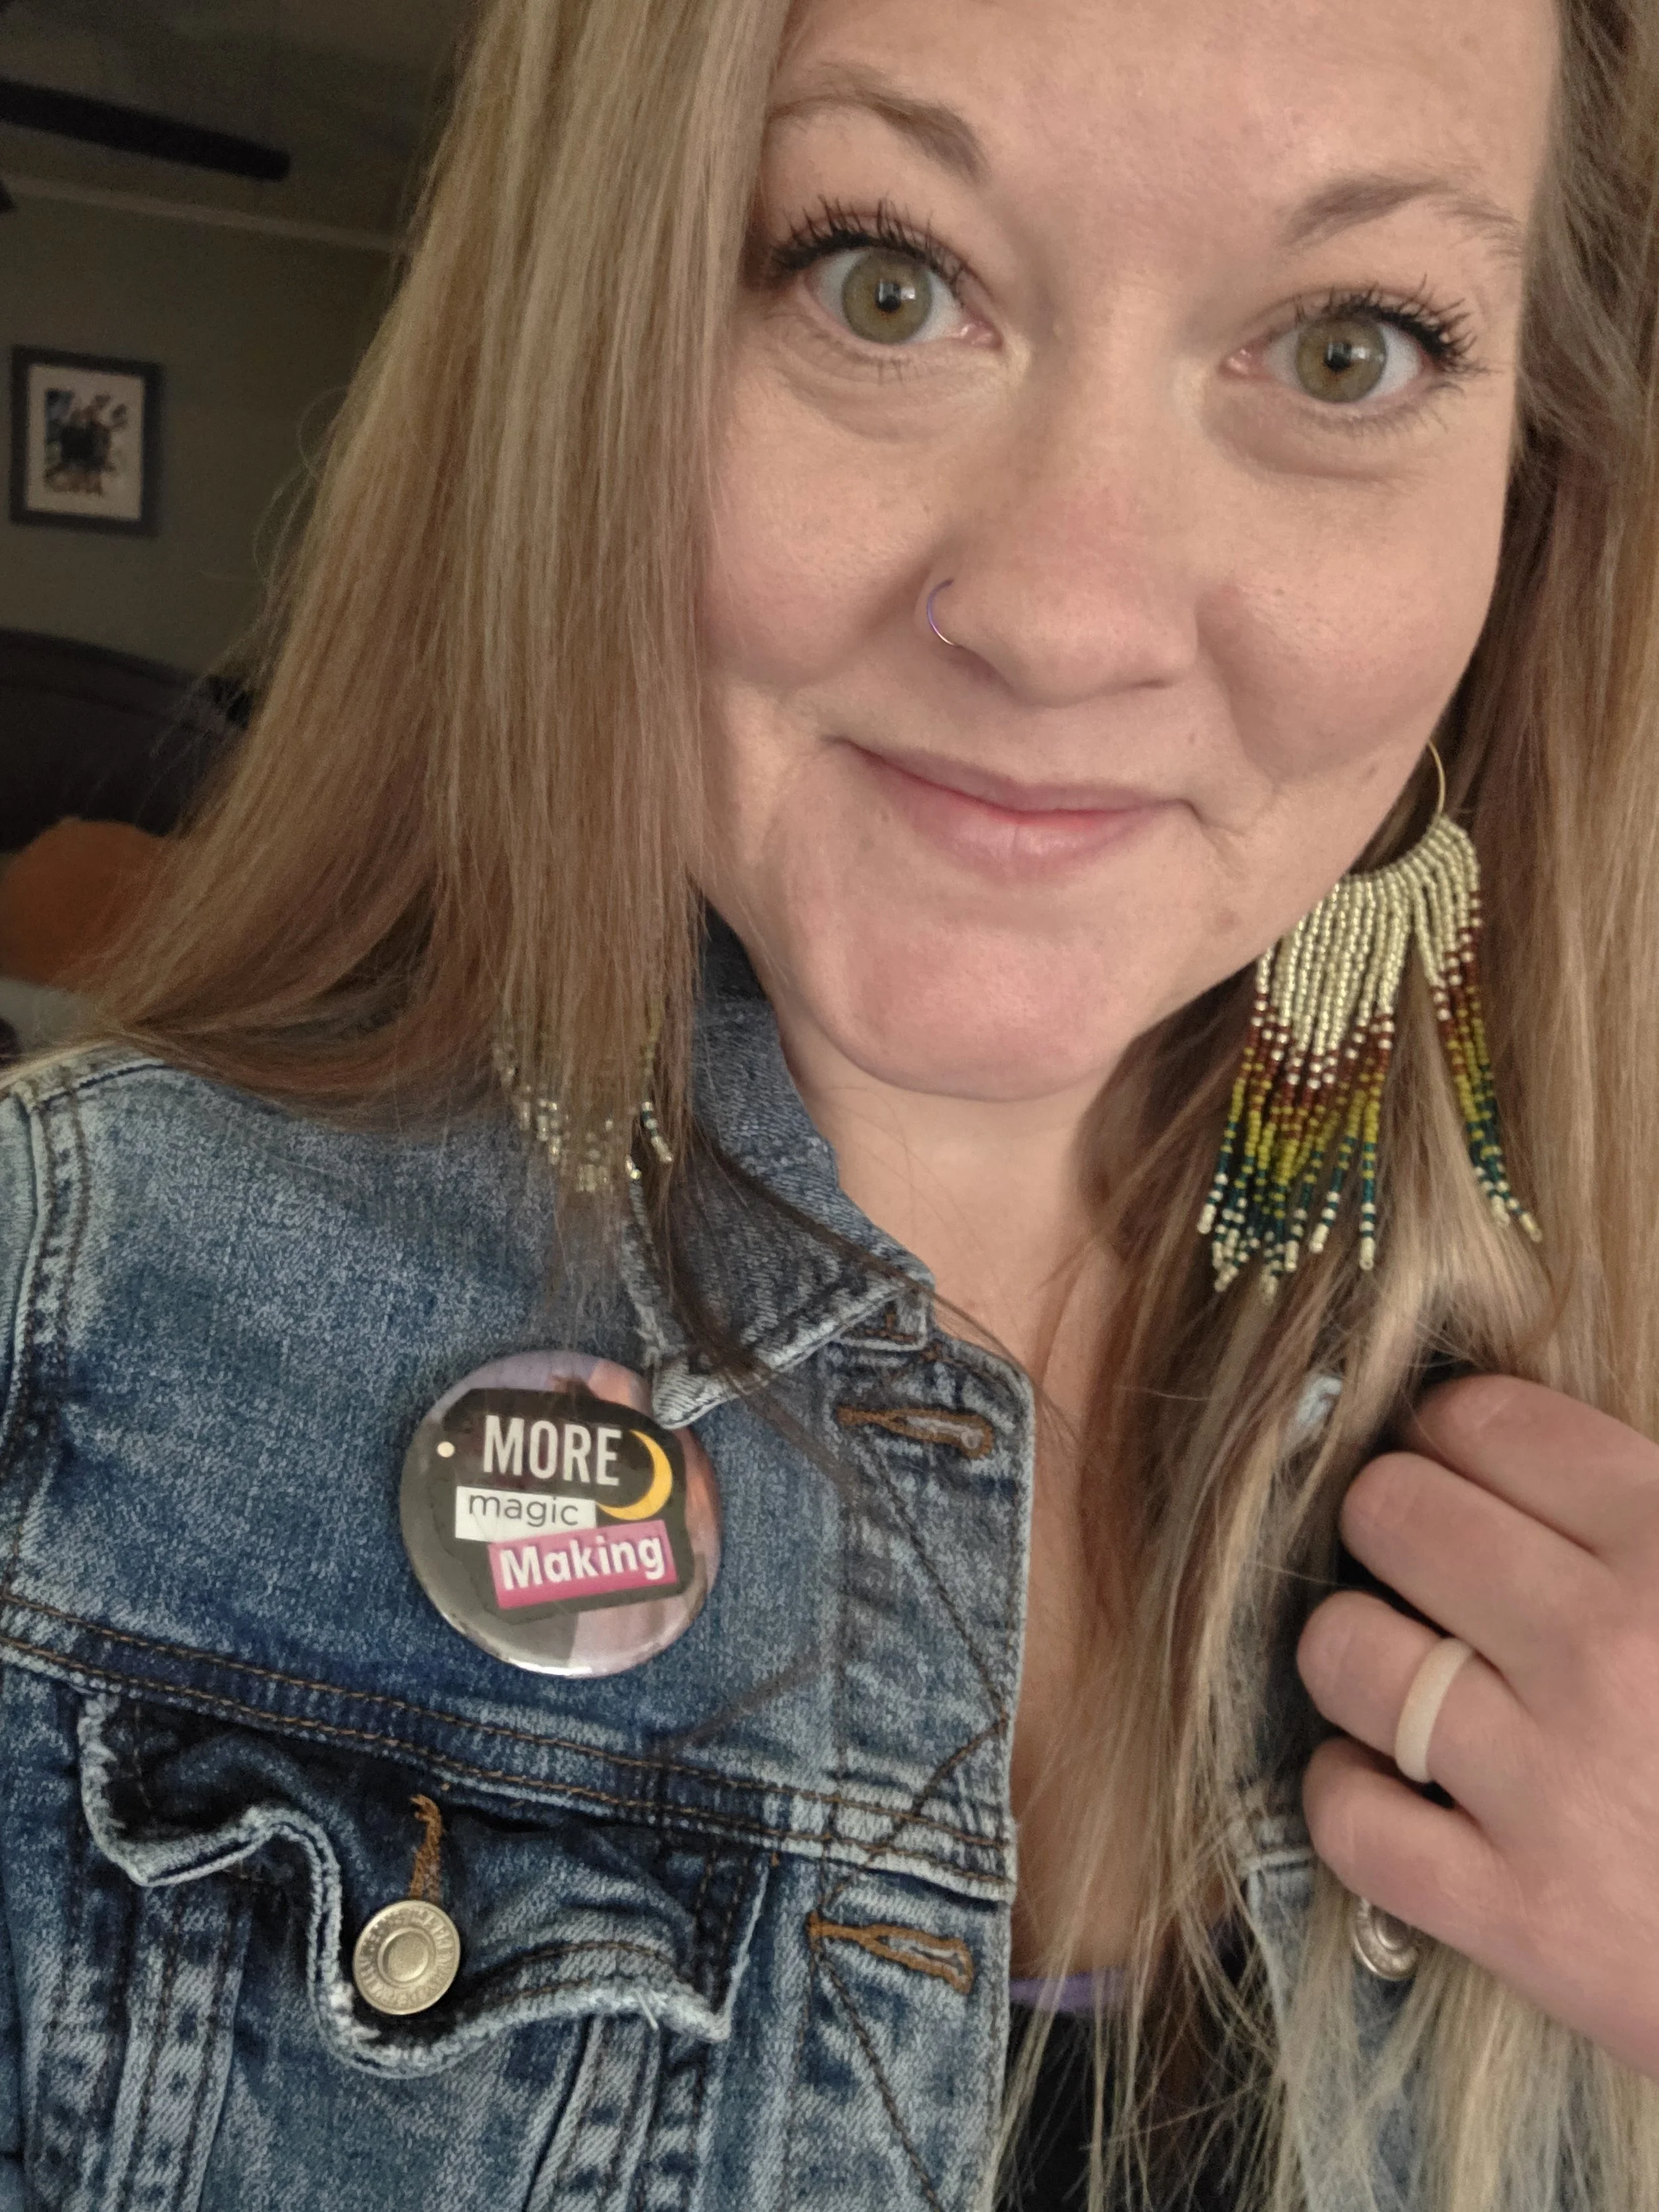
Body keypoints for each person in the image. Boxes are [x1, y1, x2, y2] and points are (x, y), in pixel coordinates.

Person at [3, 0, 1659, 2205]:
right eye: (884, 281)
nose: (1065, 616)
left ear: (1522, 492)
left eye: (1344, 347)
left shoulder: (1603, 1351)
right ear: (589, 349)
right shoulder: (72, 1341)